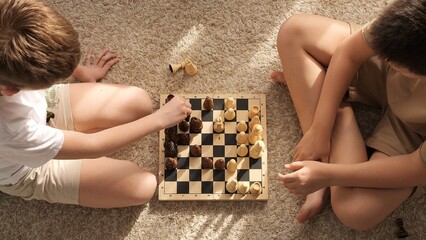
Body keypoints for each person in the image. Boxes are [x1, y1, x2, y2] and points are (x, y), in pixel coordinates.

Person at [0, 0, 192, 208]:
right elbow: (94, 146)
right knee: (142, 185)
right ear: (10, 89)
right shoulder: (11, 130)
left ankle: (62, 143)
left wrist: (76, 68)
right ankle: (57, 150)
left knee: (139, 102)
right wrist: (159, 119)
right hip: (26, 167)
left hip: (39, 111)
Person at [272, 0, 426, 231]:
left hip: (414, 130)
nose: (385, 58)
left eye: (393, 62)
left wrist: (328, 175)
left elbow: (414, 169)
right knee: (294, 31)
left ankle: (341, 112)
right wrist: (319, 131)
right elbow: (350, 51)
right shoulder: (413, 16)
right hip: (391, 76)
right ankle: (326, 131)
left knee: (355, 211)